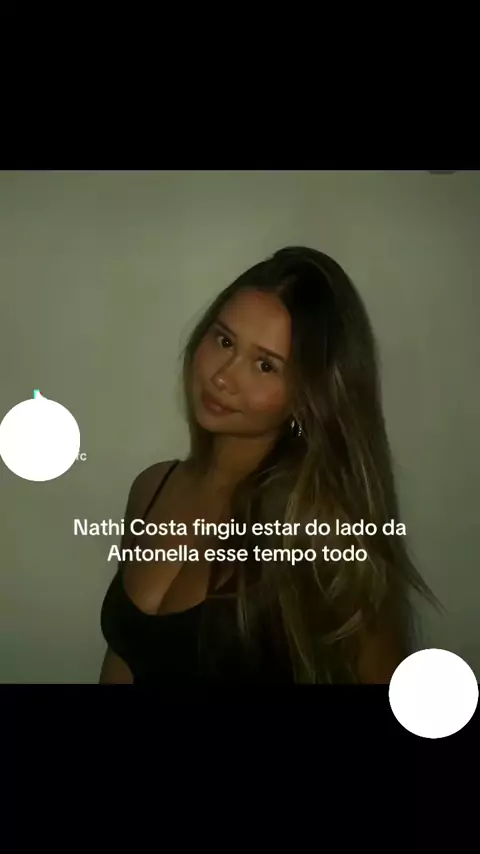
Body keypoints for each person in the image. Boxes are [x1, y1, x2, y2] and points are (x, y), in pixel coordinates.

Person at [99, 245, 440, 684]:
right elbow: (124, 654)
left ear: (309, 396)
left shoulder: (324, 534)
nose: (223, 376)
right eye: (224, 340)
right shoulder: (152, 488)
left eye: (264, 365)